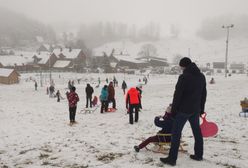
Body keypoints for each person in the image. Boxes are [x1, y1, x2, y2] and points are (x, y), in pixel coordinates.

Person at [160, 57, 207, 166]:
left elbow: (177, 95)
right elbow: (203, 94)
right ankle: (199, 155)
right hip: (195, 110)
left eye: (181, 66)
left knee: (176, 134)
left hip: (183, 111)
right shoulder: (201, 76)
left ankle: (172, 159)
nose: (181, 68)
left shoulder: (184, 77)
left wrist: (173, 111)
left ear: (183, 66)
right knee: (197, 132)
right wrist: (201, 109)